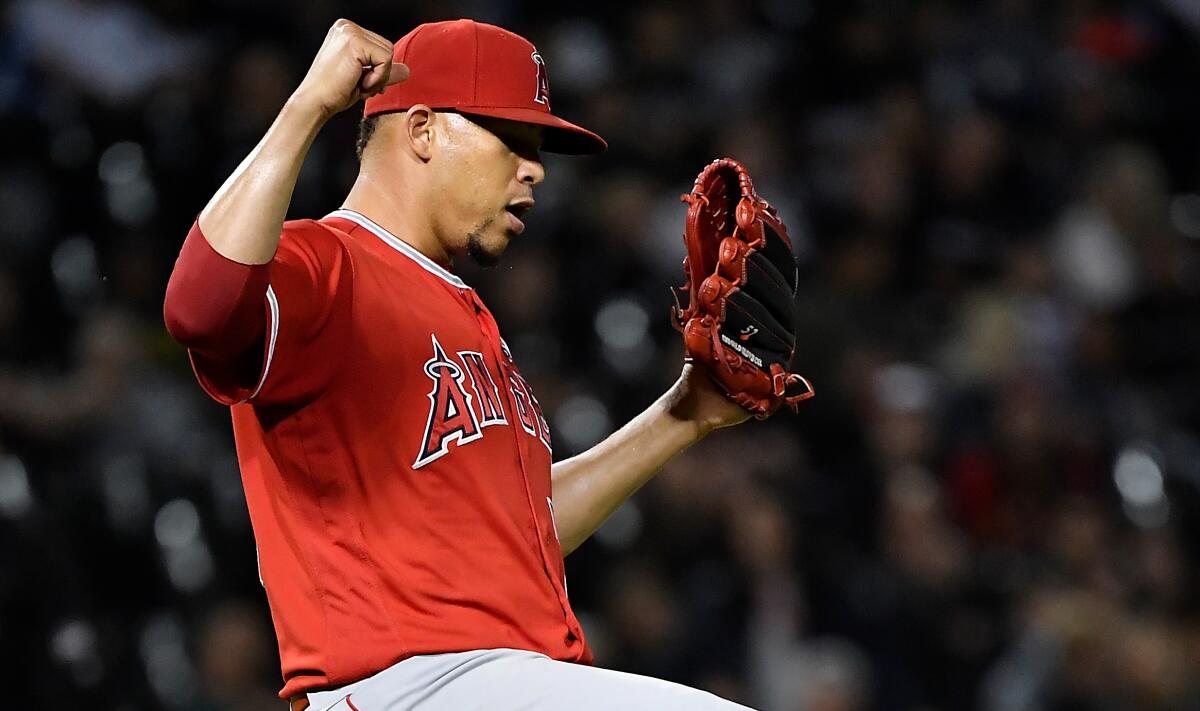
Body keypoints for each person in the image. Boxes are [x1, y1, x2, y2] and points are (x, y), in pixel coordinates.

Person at [164, 18, 759, 711]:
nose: (534, 167)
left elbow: (522, 528)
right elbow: (198, 309)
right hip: (408, 685)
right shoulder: (327, 264)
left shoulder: (467, 316)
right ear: (420, 131)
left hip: (496, 681)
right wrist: (307, 107)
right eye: (511, 139)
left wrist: (683, 415)